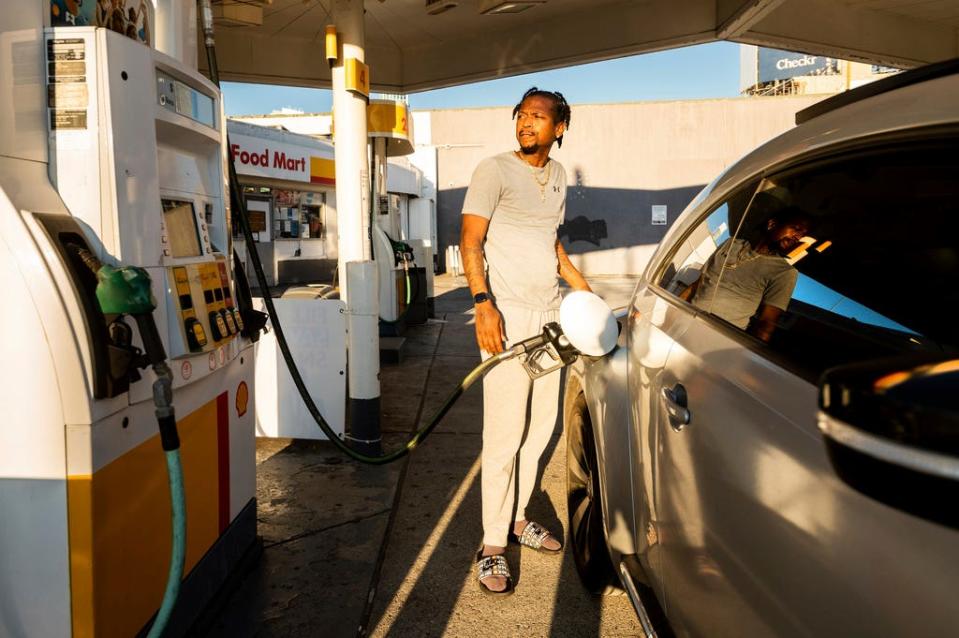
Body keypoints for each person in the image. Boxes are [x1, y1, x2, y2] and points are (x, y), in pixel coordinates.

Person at [460, 87, 592, 595]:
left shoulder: (557, 176)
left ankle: (517, 519)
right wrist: (481, 303)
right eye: (522, 114)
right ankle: (492, 546)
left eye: (538, 116)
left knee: (540, 430)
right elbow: (470, 240)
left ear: (559, 127)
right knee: (504, 436)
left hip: (549, 317)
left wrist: (586, 295)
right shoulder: (493, 170)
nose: (527, 122)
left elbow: (551, 245)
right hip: (506, 316)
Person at [684, 209, 810, 342]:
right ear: (772, 224)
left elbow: (766, 325)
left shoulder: (785, 273)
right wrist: (669, 313)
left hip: (719, 340)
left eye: (802, 234)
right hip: (683, 320)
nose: (798, 237)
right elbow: (696, 285)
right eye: (796, 228)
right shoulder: (730, 244)